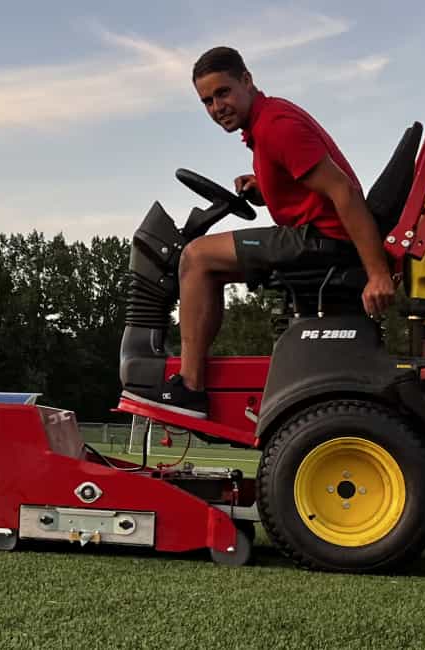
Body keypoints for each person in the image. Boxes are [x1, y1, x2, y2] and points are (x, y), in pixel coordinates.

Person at [123, 46, 396, 419]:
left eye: (223, 93)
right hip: (317, 234)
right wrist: (263, 188)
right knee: (208, 266)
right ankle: (193, 379)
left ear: (247, 81)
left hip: (322, 240)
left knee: (195, 257)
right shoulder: (266, 121)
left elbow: (343, 191)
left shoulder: (276, 127)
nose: (217, 107)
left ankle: (188, 386)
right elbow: (304, 189)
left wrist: (378, 273)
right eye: (207, 101)